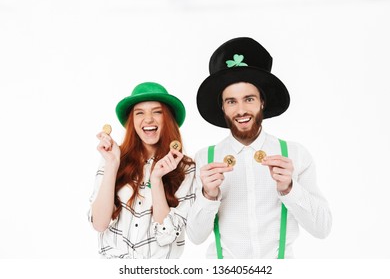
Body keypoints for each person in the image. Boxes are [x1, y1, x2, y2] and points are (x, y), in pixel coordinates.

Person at [186, 37, 332, 258]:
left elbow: (322, 229)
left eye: (249, 99)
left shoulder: (295, 154)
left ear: (262, 102)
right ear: (223, 108)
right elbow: (195, 237)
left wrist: (289, 188)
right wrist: (208, 194)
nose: (241, 110)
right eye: (231, 101)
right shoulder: (204, 158)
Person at [88, 82, 195, 259]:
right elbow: (99, 224)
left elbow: (167, 236)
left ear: (168, 119)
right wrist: (113, 165)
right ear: (132, 121)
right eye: (140, 113)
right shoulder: (112, 157)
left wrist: (156, 180)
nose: (148, 119)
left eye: (157, 112)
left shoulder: (187, 169)